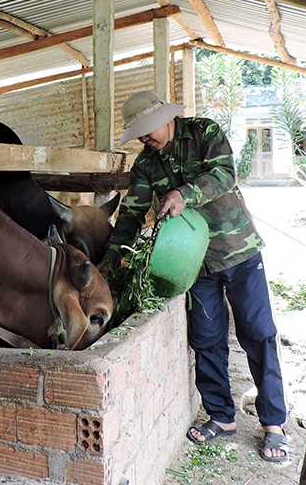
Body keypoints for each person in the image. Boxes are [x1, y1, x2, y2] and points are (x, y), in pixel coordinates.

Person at [99, 90, 289, 463]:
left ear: (165, 119)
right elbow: (132, 214)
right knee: (206, 338)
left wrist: (184, 193)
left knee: (259, 333)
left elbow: (224, 174)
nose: (144, 139)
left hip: (238, 251)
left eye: (147, 131)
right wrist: (111, 260)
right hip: (193, 264)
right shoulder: (146, 165)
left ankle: (274, 424)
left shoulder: (205, 133)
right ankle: (221, 416)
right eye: (139, 134)